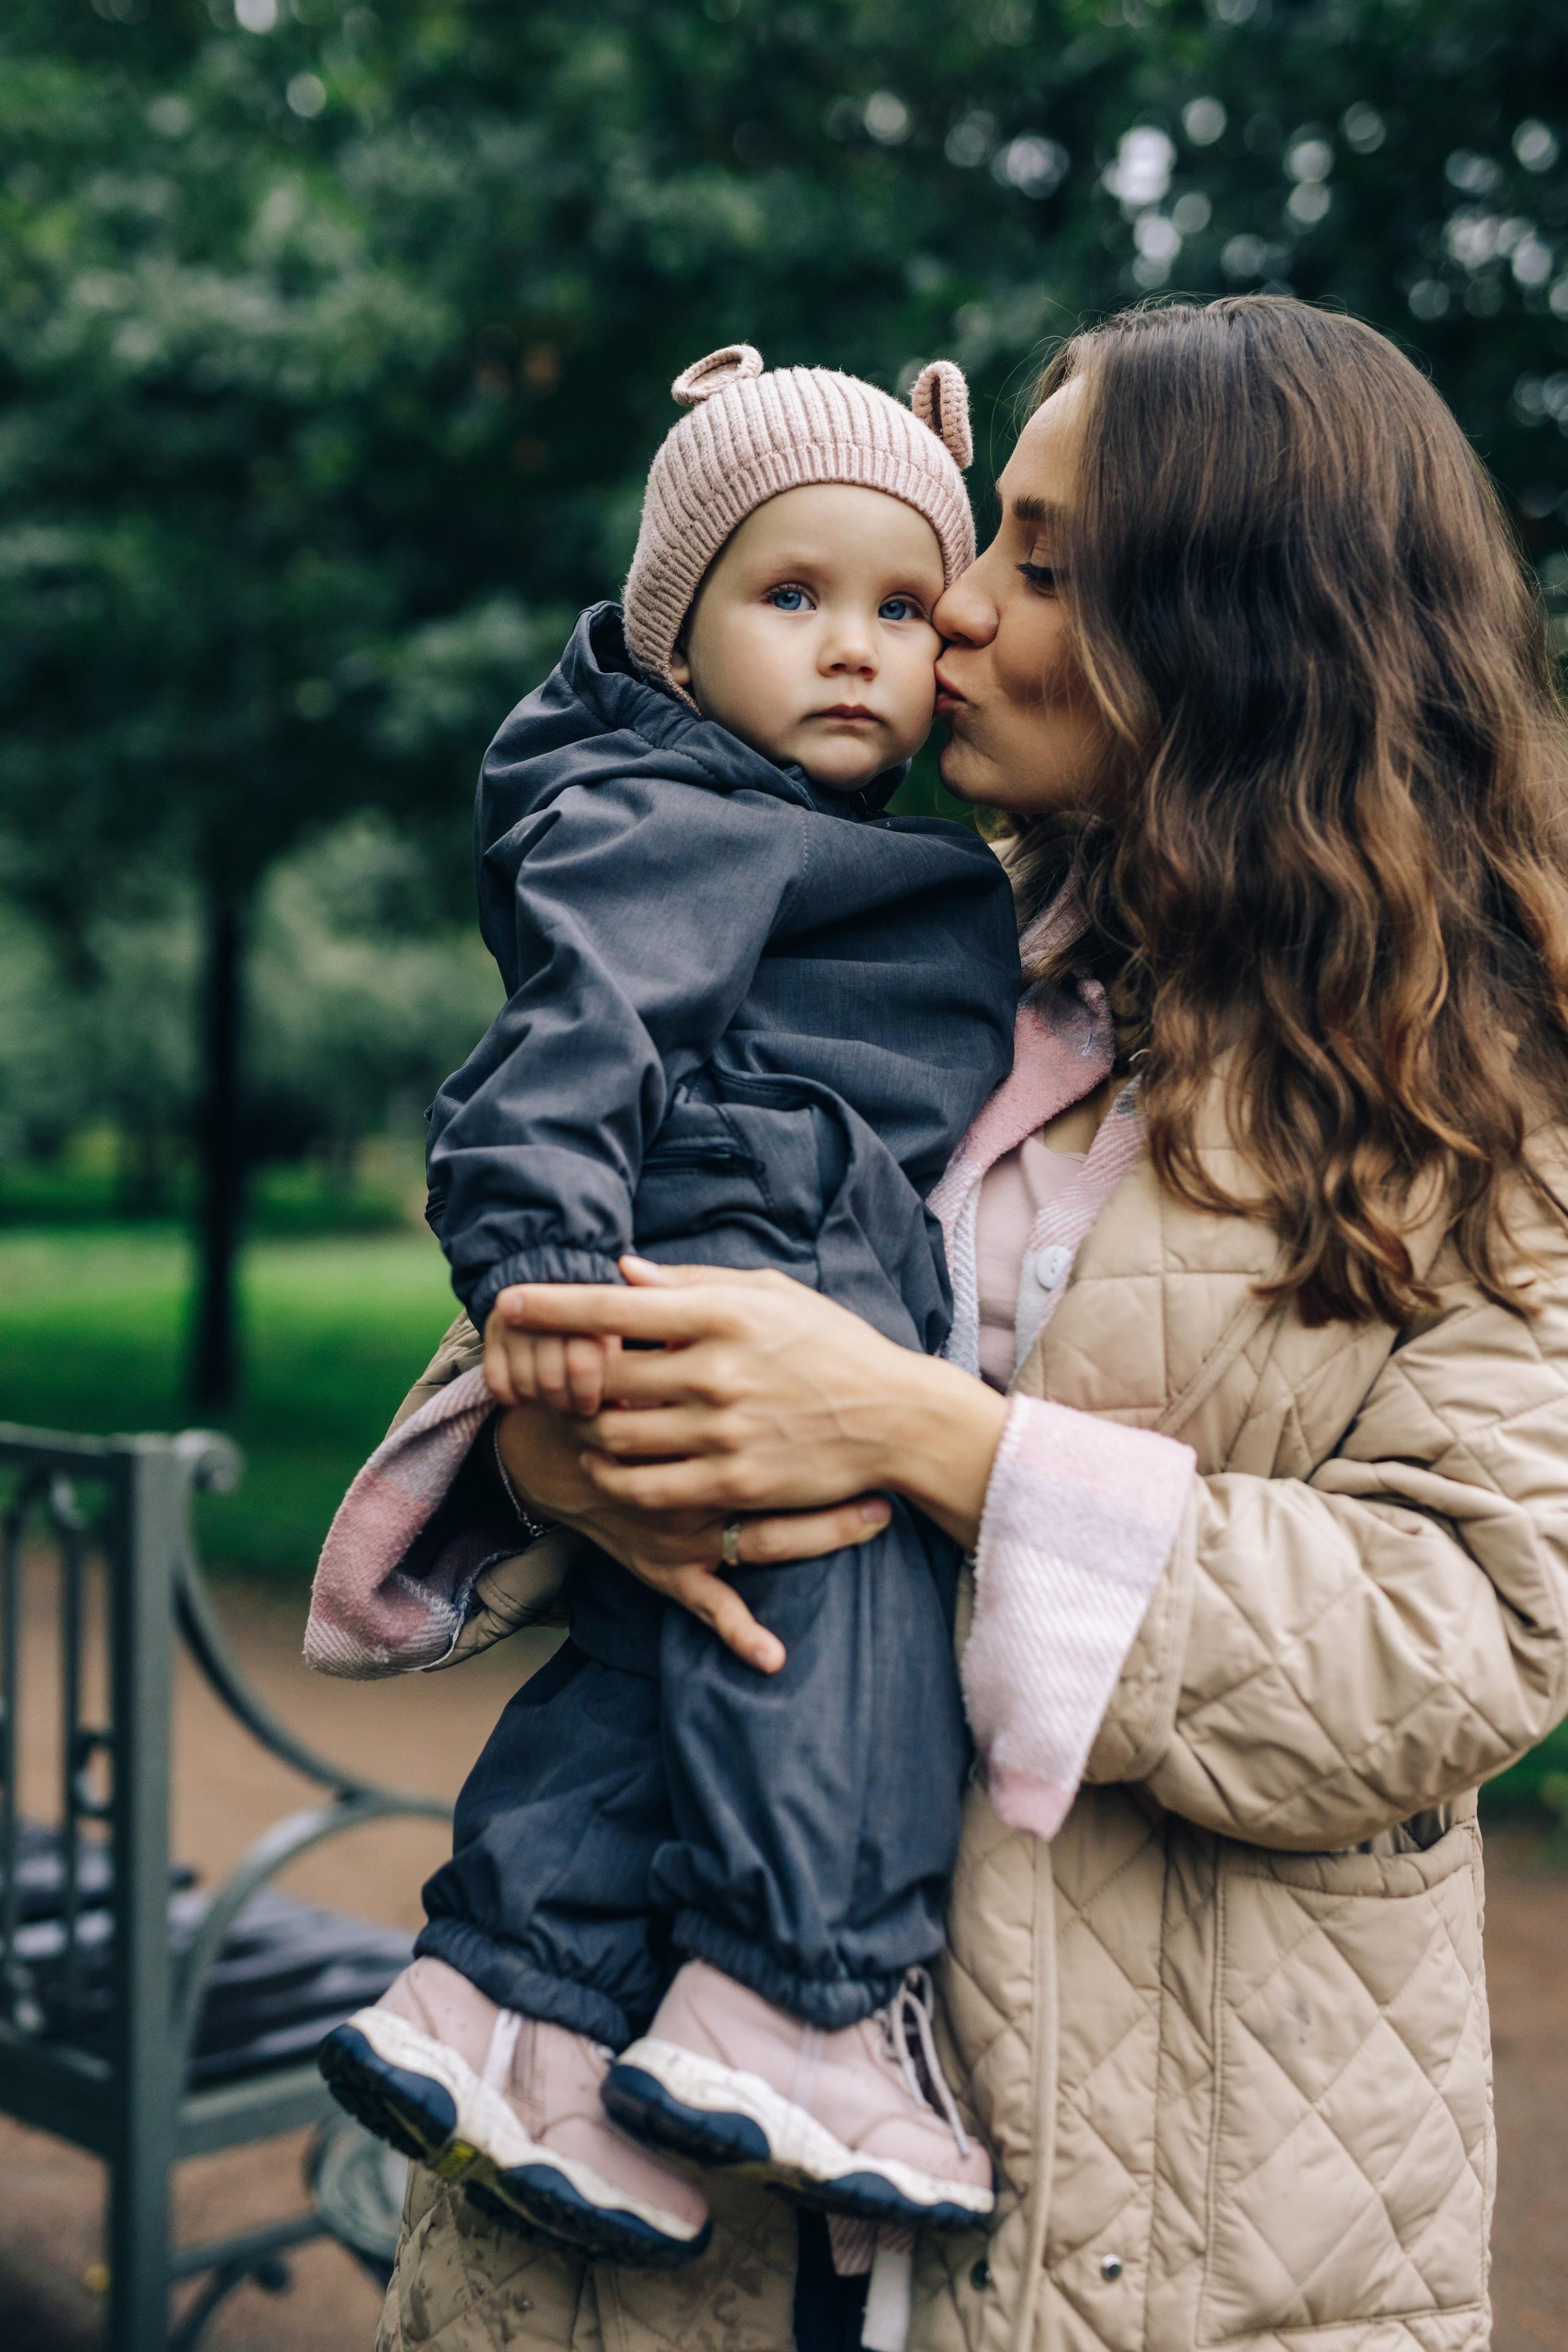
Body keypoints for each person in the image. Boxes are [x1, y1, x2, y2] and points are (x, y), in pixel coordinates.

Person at [364, 296, 1568, 2352]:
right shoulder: (875, 918)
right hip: (668, 2190)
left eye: (1045, 562)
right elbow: (602, 1230)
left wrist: (929, 1440)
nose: (962, 608)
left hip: (1173, 2200)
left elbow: (1457, 1638)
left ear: (1241, 632)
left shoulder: (1483, 1092)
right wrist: (554, 1442)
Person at [308, 344, 1020, 2269]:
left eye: (903, 606)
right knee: (833, 1586)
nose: (856, 646)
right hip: (769, 1230)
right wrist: (534, 1264)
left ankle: (507, 2004)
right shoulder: (681, 812)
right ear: (678, 646)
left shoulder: (762, 815)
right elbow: (570, 1040)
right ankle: (803, 1993)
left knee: (661, 1630)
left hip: (772, 1217)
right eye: (790, 596)